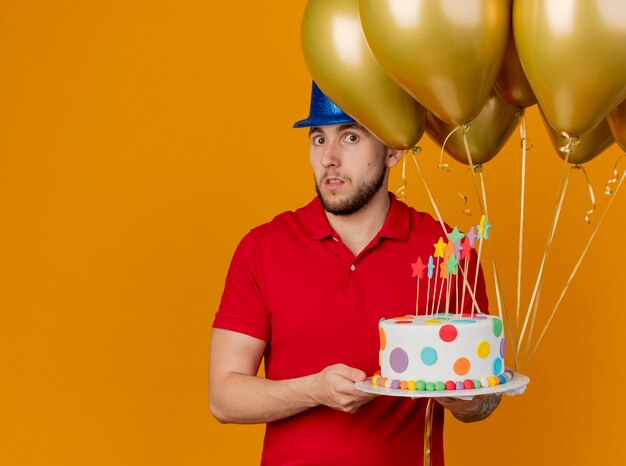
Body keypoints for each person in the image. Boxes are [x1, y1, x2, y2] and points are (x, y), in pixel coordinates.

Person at [209, 82, 501, 465]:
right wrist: (314, 390)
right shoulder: (262, 248)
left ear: (393, 150)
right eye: (318, 139)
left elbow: (485, 399)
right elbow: (223, 397)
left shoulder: (447, 251)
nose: (329, 158)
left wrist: (462, 399)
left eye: (350, 137)